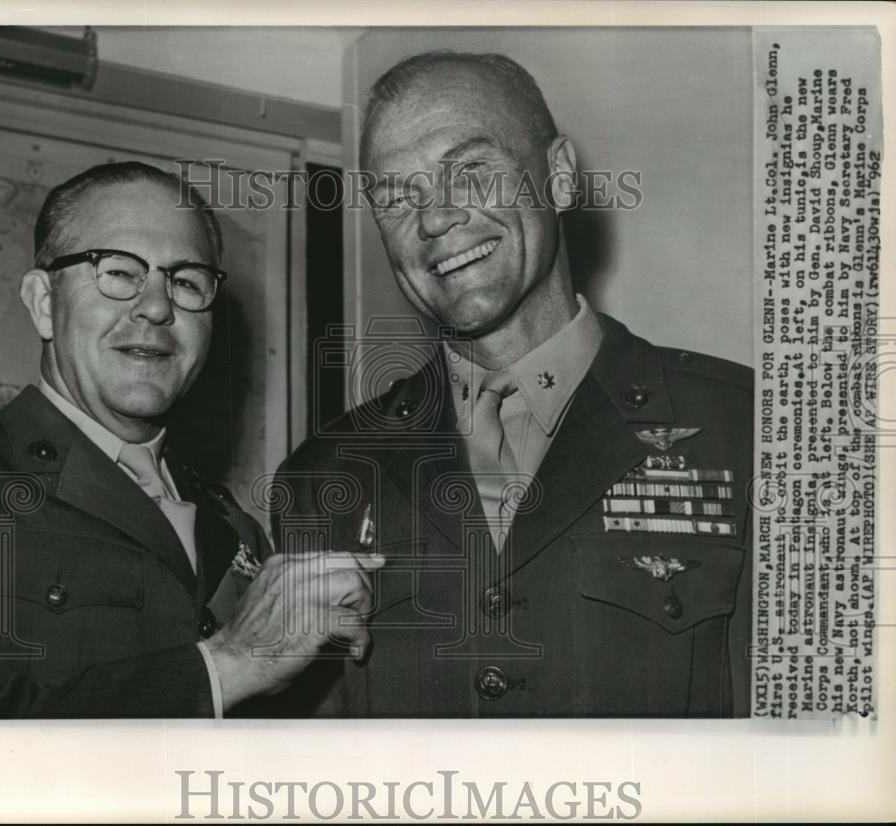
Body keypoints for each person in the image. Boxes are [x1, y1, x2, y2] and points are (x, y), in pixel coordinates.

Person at [274, 52, 753, 717]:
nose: (434, 218)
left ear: (558, 176)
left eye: (469, 171)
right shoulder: (321, 475)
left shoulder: (748, 431)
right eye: (395, 194)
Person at [0, 161, 382, 719]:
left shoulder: (234, 527)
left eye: (186, 282)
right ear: (44, 302)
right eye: (118, 272)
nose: (158, 307)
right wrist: (228, 665)